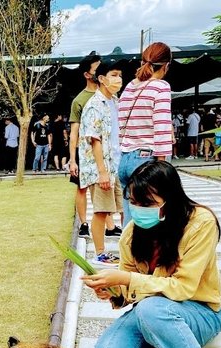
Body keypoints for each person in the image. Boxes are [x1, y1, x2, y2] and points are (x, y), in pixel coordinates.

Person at [82, 160, 221, 348]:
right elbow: (130, 284)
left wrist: (127, 280)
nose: (138, 209)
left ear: (171, 198)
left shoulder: (200, 223)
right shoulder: (131, 233)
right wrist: (113, 290)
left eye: (147, 202)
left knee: (152, 309)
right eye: (132, 201)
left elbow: (184, 288)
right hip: (154, 313)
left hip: (200, 310)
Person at [117, 42, 173, 225]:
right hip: (147, 159)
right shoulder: (161, 87)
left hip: (125, 160)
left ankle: (128, 253)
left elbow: (120, 125)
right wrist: (163, 166)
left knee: (131, 221)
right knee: (152, 221)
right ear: (166, 65)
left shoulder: (129, 88)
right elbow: (162, 127)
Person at [79, 59, 124, 268]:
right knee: (101, 211)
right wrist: (102, 172)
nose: (118, 79)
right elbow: (94, 139)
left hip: (115, 164)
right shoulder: (94, 105)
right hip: (101, 168)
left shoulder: (114, 101)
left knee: (121, 208)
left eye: (120, 75)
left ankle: (128, 251)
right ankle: (100, 253)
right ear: (102, 78)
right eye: (114, 75)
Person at [70, 52, 101, 239]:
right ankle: (83, 223)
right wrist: (72, 160)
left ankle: (109, 224)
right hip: (84, 151)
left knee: (104, 187)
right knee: (82, 187)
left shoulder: (110, 96)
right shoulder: (79, 101)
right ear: (87, 75)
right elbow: (74, 132)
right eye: (97, 69)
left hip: (105, 151)